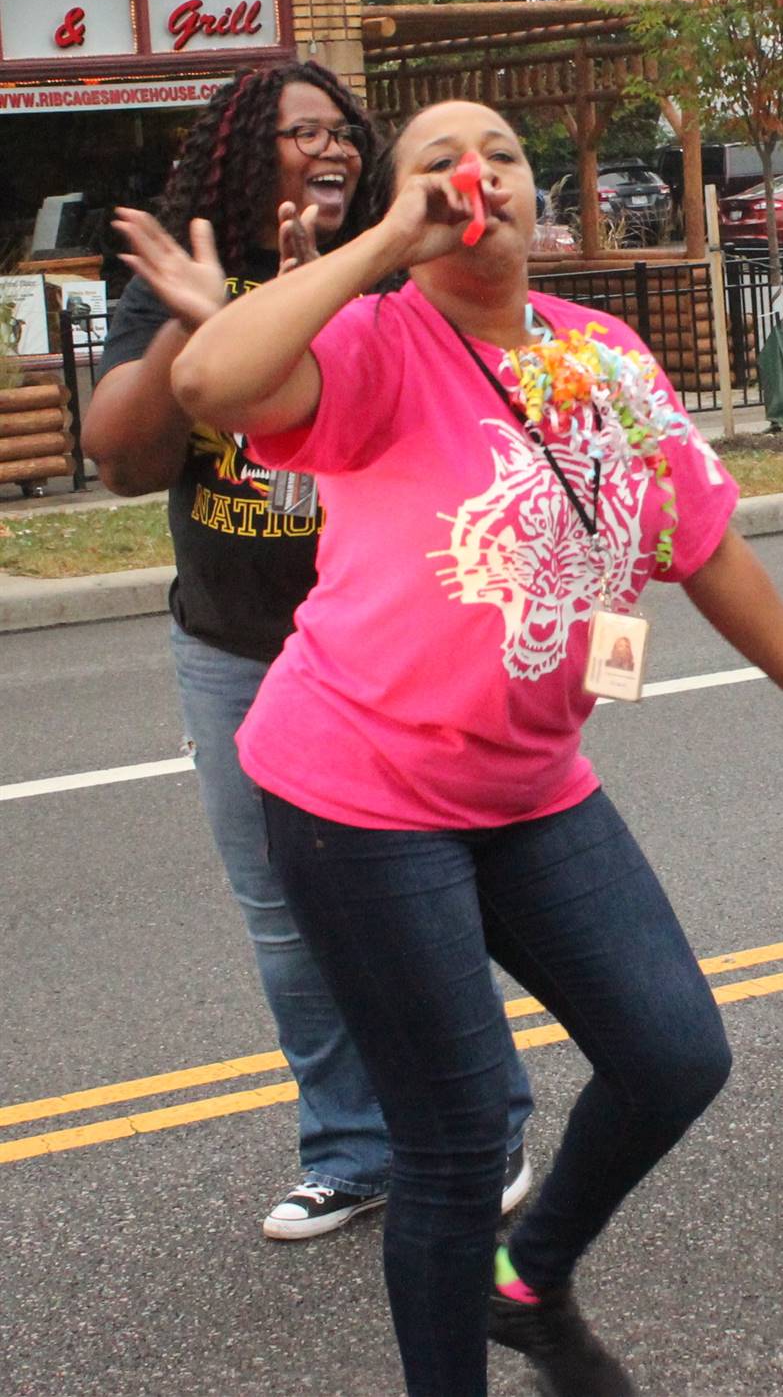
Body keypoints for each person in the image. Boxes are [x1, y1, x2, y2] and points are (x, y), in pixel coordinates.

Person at [141, 98, 783, 1396]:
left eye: (499, 153)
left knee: (672, 1054)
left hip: (530, 786)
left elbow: (703, 546)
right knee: (452, 1141)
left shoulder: (605, 355)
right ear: (402, 201)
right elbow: (208, 381)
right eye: (437, 156)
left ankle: (528, 1282)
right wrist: (378, 244)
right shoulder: (377, 341)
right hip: (361, 794)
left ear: (533, 195)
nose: (474, 171)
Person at [87, 63, 537, 1242]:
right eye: (300, 133)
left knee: (439, 901)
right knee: (288, 916)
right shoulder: (190, 276)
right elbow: (122, 461)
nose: (329, 149)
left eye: (343, 133)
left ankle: (486, 1124)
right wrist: (212, 318)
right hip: (236, 648)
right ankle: (351, 1147)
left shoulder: (407, 265)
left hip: (397, 652)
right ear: (247, 154)